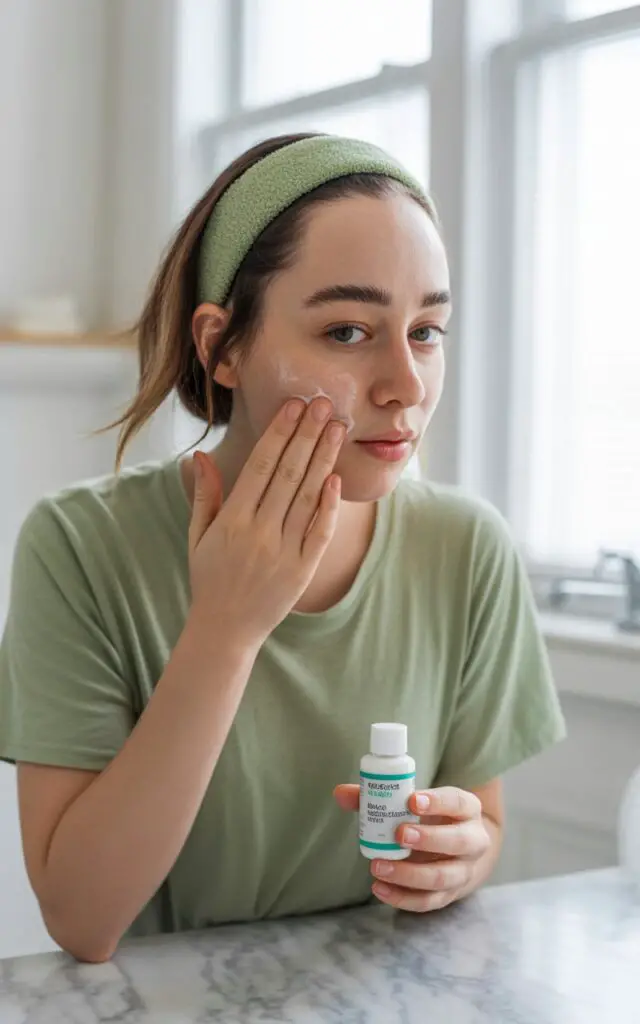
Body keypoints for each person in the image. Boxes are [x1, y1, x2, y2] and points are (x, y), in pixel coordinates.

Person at [0, 133, 566, 963]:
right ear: (221, 346)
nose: (406, 385)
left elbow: (481, 823)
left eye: (429, 331)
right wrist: (226, 628)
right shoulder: (81, 546)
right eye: (346, 331)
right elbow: (82, 919)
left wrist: (460, 857)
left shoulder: (466, 546)